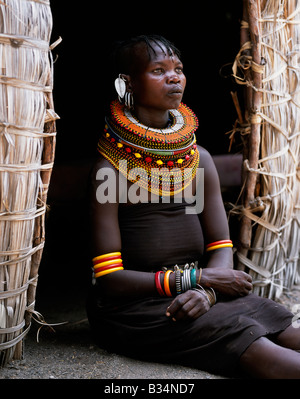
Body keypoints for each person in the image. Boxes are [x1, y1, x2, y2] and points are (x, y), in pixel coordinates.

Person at [86, 35, 300, 378]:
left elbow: (220, 245)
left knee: (279, 324)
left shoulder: (197, 161)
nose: (174, 77)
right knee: (251, 342)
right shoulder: (109, 172)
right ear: (126, 84)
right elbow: (110, 279)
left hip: (201, 294)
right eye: (159, 70)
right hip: (133, 310)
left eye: (179, 69)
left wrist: (208, 292)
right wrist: (195, 280)